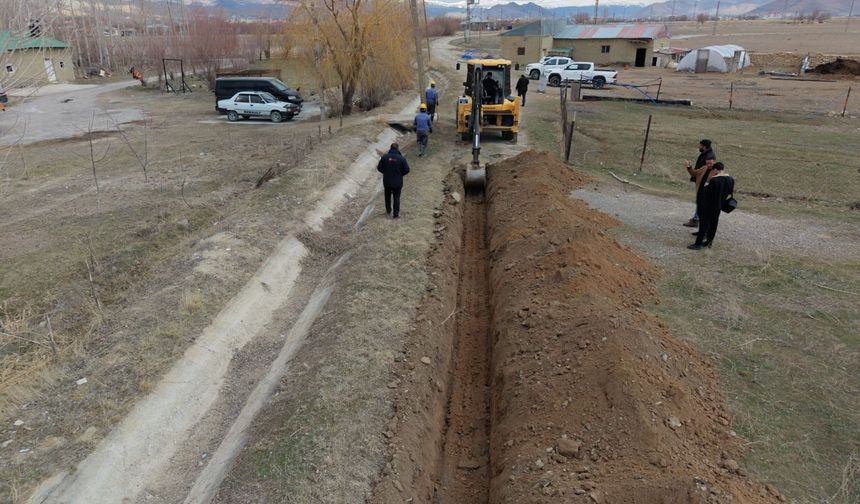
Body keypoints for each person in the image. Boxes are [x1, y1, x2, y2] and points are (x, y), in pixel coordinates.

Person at [689, 162, 734, 249]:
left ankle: (698, 244)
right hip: (719, 206)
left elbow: (706, 192)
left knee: (704, 225)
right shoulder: (730, 179)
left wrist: (707, 181)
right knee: (714, 224)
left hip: (708, 205)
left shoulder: (714, 180)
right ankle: (709, 242)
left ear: (715, 170)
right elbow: (729, 192)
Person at [684, 139, 716, 227]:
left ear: (704, 146)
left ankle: (696, 219)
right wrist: (689, 167)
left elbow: (709, 171)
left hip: (704, 183)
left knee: (701, 201)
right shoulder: (706, 154)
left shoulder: (709, 156)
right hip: (701, 180)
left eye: (700, 145)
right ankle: (697, 218)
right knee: (700, 200)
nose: (698, 147)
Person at [376, 143, 411, 219]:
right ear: (398, 149)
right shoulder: (401, 158)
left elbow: (379, 168)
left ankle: (388, 210)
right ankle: (396, 214)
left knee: (387, 196)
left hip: (387, 181)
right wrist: (400, 174)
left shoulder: (384, 157)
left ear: (390, 148)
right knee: (396, 197)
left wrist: (385, 172)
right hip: (397, 182)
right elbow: (407, 170)